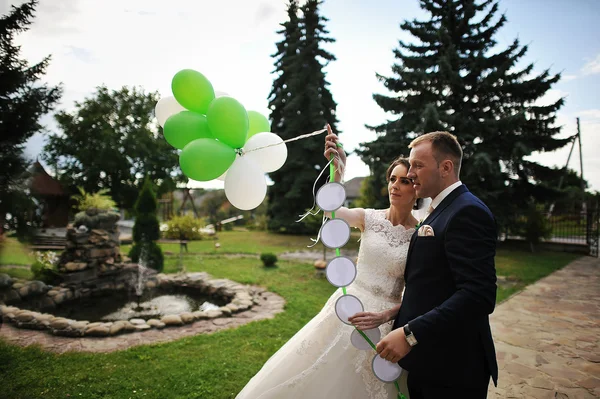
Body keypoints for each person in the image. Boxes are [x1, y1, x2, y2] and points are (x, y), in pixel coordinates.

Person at [235, 125, 421, 399]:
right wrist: (339, 170)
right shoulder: (369, 218)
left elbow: (419, 291)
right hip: (347, 308)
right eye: (392, 179)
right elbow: (330, 208)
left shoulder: (422, 233)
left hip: (384, 323)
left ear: (416, 188)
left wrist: (387, 315)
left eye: (404, 181)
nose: (395, 185)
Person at [376, 131, 498, 398]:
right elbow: (432, 286)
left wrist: (410, 334)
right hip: (431, 360)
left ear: (446, 167)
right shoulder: (440, 209)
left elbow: (478, 295)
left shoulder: (467, 211)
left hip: (452, 368)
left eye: (418, 165)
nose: (411, 173)